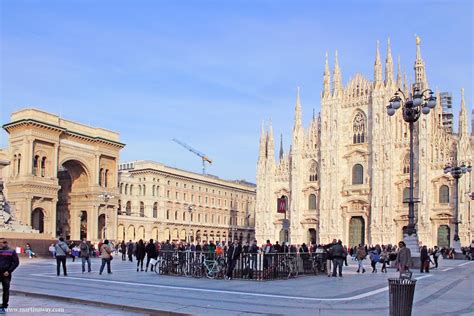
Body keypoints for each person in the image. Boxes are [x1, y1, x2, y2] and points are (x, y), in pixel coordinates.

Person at [0, 237, 19, 314]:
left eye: (1, 243)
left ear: (5, 243)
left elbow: (16, 262)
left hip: (6, 274)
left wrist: (9, 271)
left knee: (6, 290)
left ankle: (4, 306)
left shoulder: (11, 251)